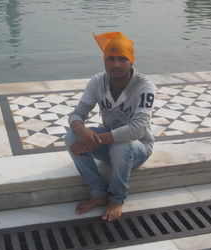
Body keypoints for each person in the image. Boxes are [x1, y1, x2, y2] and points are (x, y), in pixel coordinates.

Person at [65, 32, 156, 221]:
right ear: (104, 61)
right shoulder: (98, 81)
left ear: (131, 60)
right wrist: (82, 132)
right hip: (109, 143)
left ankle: (117, 198)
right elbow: (77, 114)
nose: (116, 65)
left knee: (122, 146)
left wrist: (94, 140)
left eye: (122, 59)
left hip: (137, 147)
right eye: (111, 59)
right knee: (71, 137)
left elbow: (137, 129)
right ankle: (98, 193)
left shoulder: (144, 86)